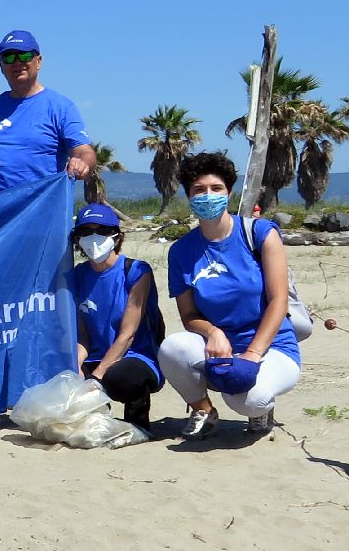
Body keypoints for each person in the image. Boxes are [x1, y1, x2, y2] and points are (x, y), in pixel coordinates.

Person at [159, 152, 301, 438]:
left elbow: (278, 301)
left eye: (216, 188)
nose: (207, 196)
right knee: (172, 348)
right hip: (220, 346)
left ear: (229, 192)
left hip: (271, 345)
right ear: (188, 196)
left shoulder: (260, 234)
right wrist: (212, 332)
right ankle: (204, 410)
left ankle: (261, 411)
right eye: (199, 190)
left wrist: (252, 354)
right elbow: (189, 316)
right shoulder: (181, 252)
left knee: (247, 400)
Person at [69, 203, 164, 429]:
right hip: (95, 356)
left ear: (117, 236)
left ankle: (137, 413)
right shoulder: (78, 275)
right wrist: (74, 367)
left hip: (134, 356)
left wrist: (97, 377)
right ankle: (100, 412)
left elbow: (127, 335)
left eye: (102, 230)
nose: (94, 237)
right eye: (86, 231)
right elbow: (83, 335)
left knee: (120, 378)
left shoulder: (136, 271)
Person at [0, 30, 97, 195]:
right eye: (9, 57)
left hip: (38, 210)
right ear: (1, 66)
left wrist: (83, 163)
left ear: (38, 61)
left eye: (24, 56)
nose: (17, 62)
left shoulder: (61, 106)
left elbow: (85, 152)